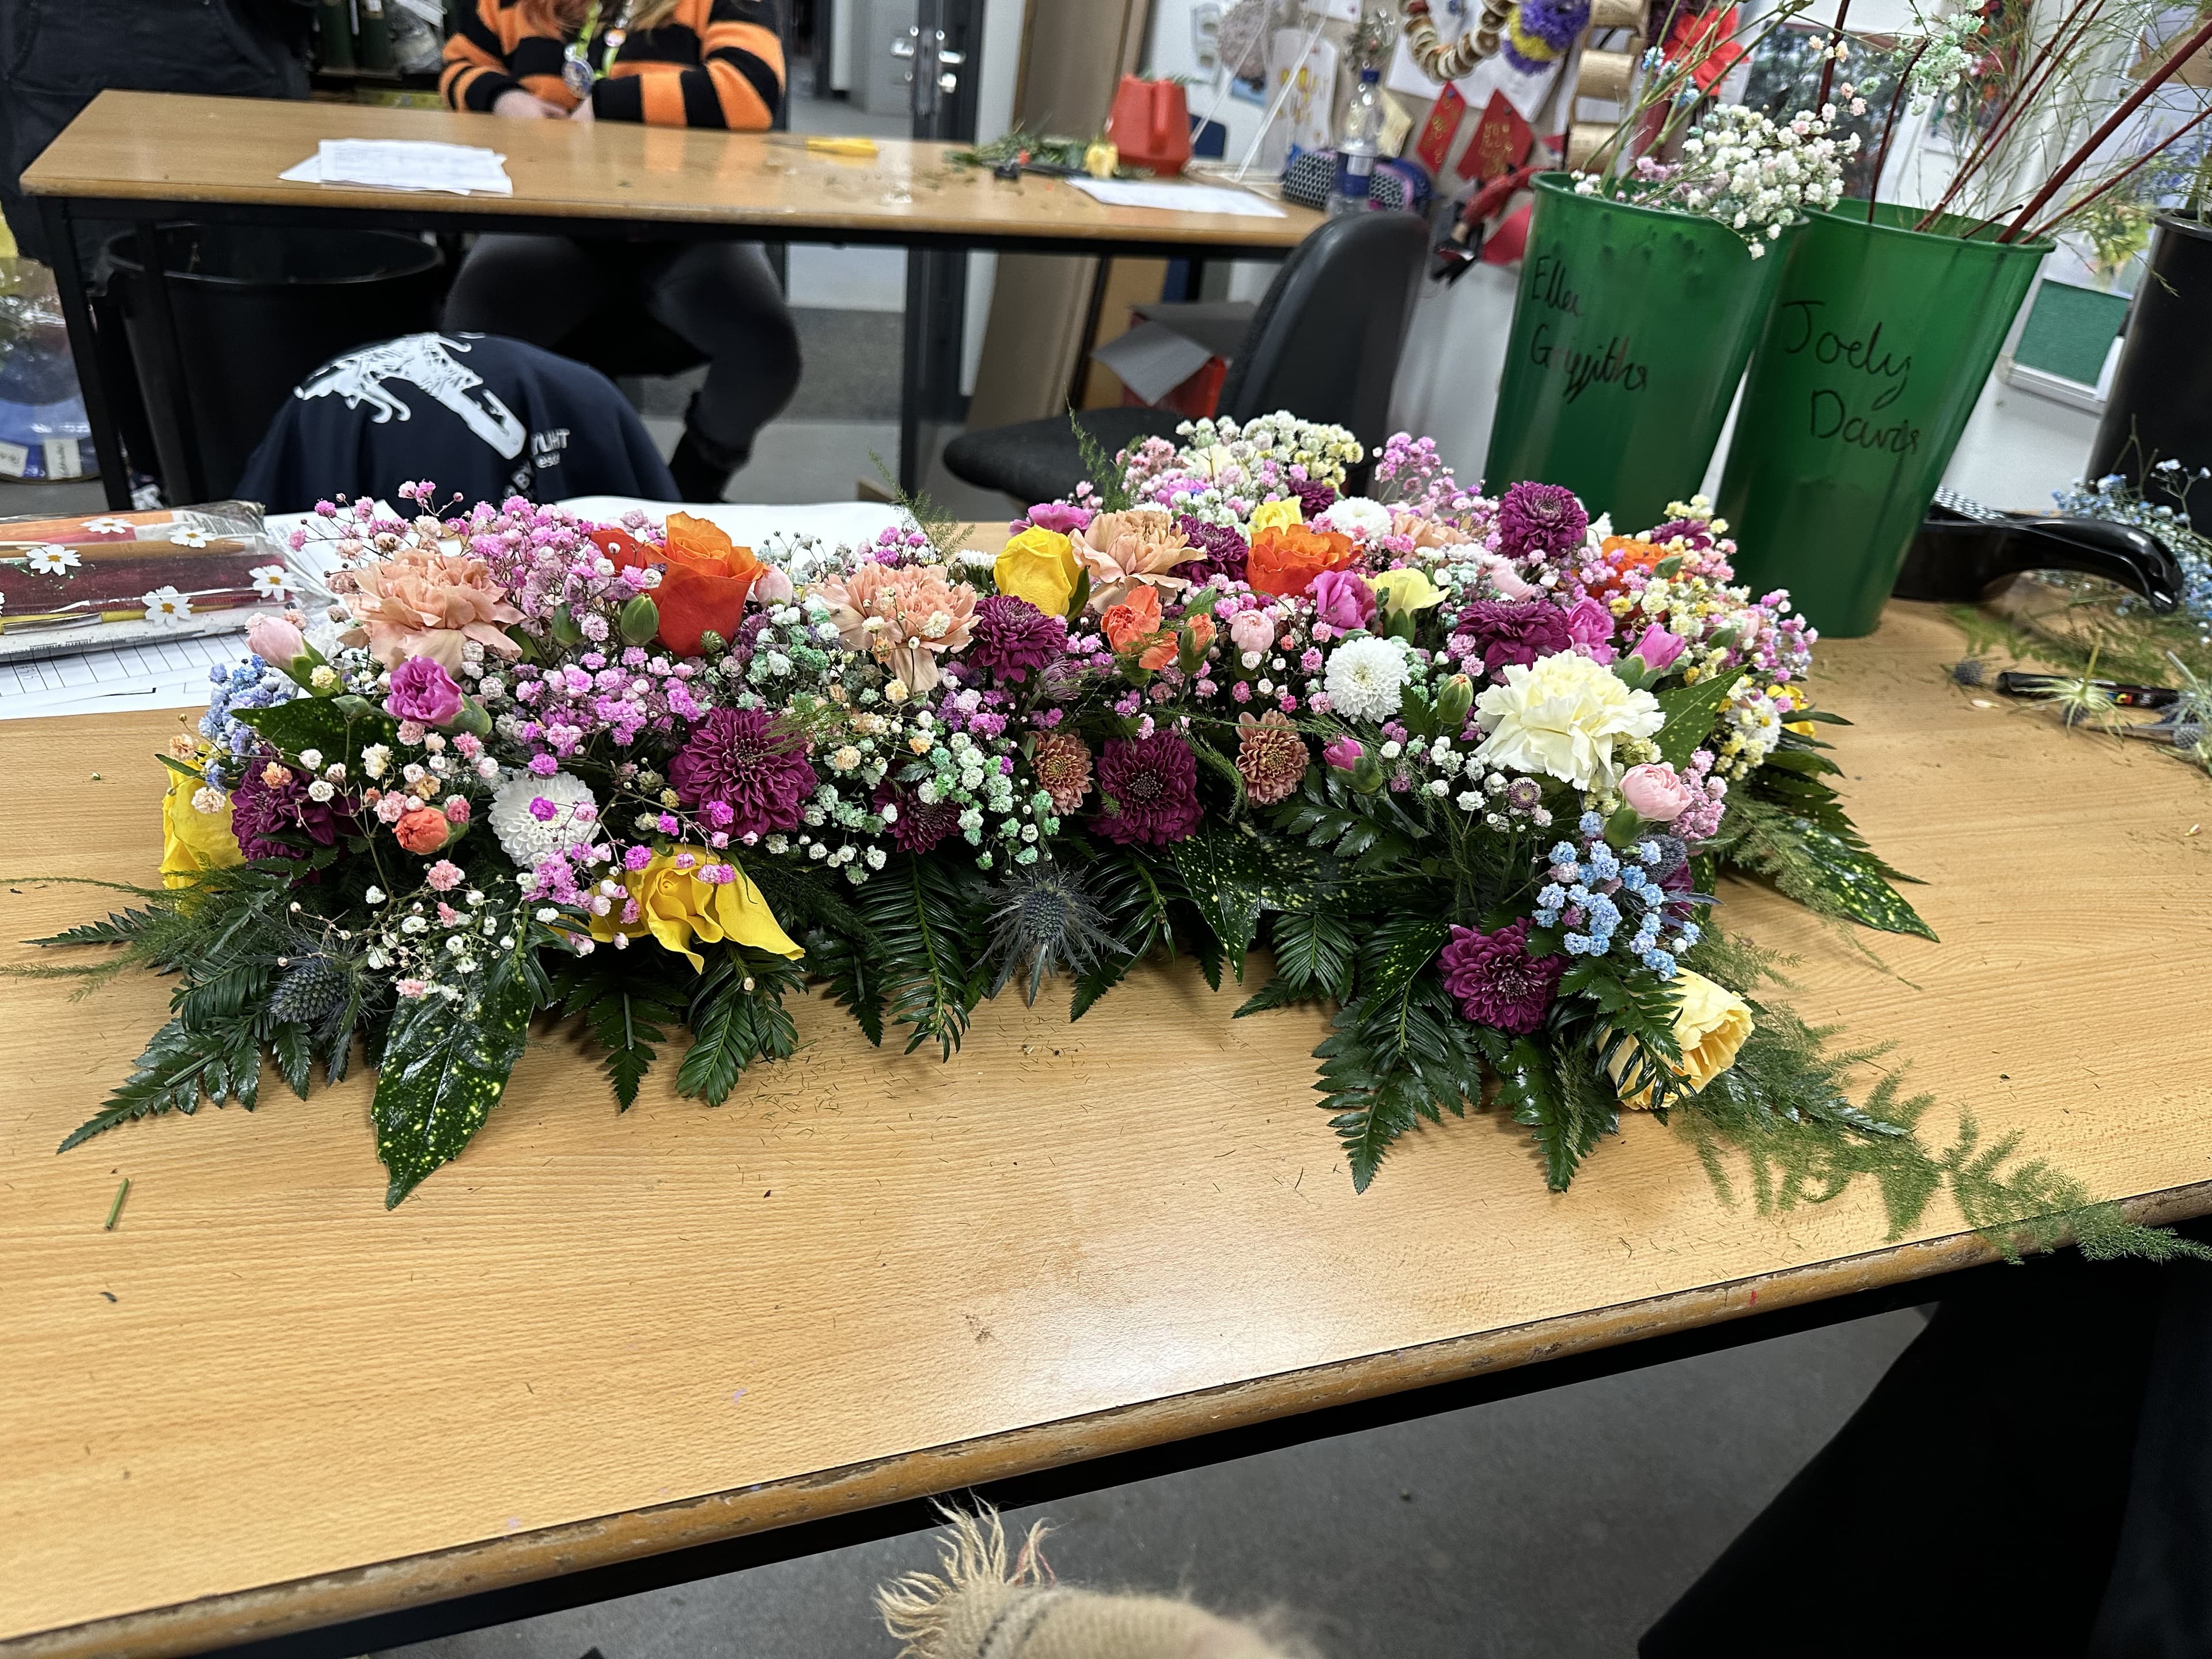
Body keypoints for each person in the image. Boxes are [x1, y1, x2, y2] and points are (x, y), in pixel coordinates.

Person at [438, 0, 801, 502]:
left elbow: (750, 90)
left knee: (767, 352)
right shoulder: (510, 7)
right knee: (469, 342)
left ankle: (691, 487)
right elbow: (458, 67)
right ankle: (524, 492)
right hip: (554, 218)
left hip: (683, 228)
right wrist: (502, 97)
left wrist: (611, 103)